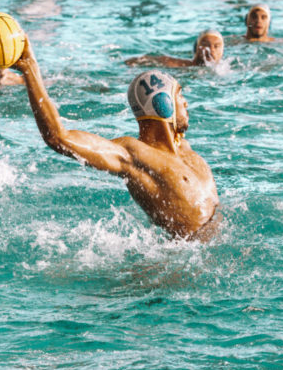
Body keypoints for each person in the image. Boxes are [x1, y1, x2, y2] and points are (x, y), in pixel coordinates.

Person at [13, 42, 219, 240]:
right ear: (163, 103)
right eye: (180, 95)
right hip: (183, 257)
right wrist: (30, 69)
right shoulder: (133, 153)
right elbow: (58, 137)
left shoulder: (185, 149)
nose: (186, 103)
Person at [125, 30, 224, 68]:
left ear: (222, 51)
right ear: (196, 48)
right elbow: (134, 61)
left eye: (216, 46)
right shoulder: (177, 64)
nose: (211, 49)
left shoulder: (227, 70)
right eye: (206, 45)